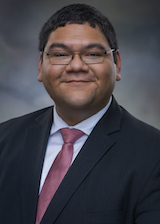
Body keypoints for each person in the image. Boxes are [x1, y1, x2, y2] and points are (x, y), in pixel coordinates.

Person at [0, 3, 160, 224]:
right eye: (60, 54)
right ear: (40, 65)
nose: (76, 66)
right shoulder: (4, 139)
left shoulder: (153, 153)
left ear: (117, 64)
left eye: (93, 53)